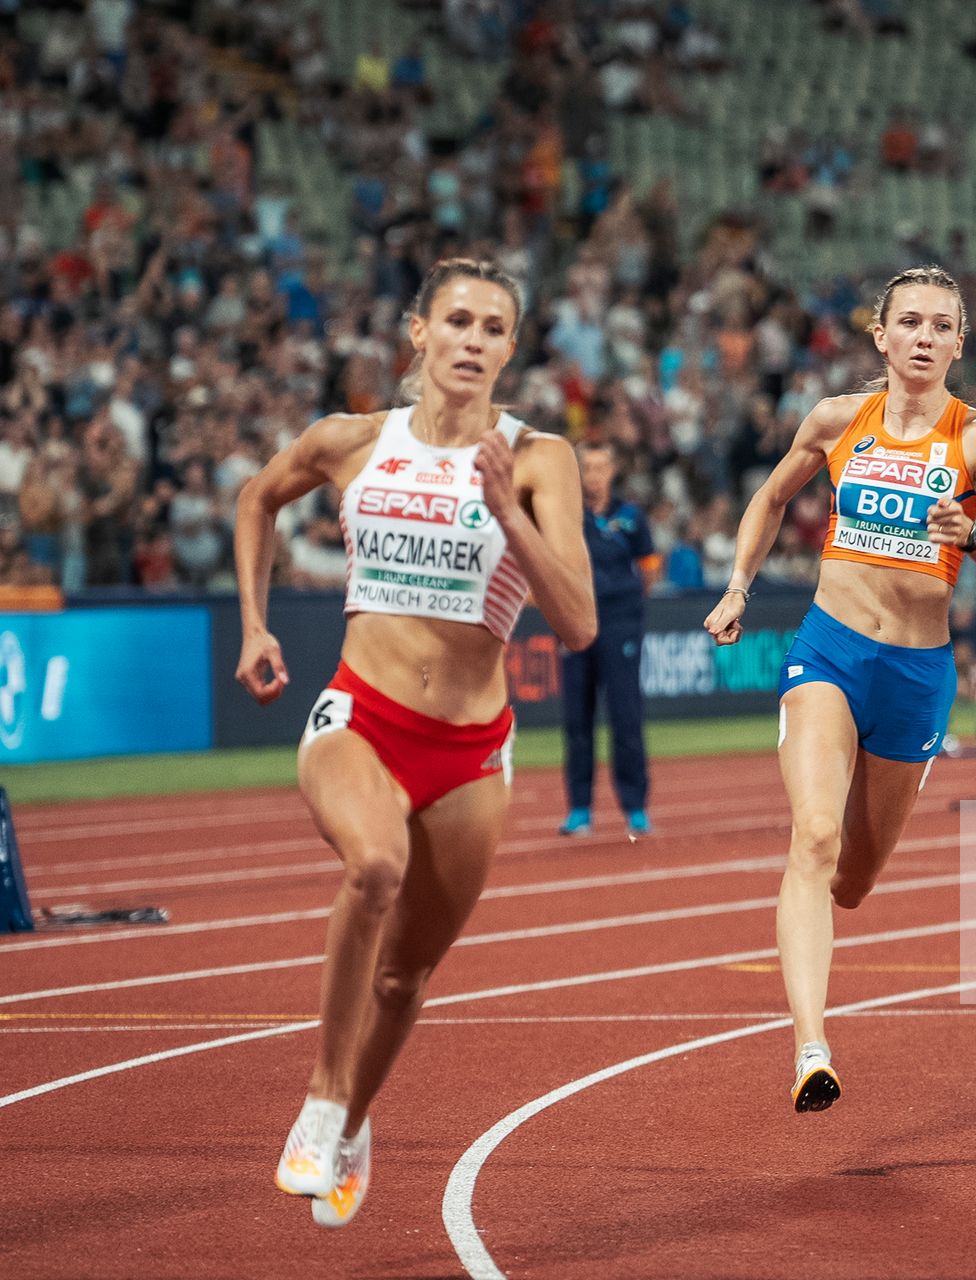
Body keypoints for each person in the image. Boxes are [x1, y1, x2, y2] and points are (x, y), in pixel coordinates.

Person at [232, 259, 595, 1226]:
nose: (474, 340)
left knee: (406, 974)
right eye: (459, 321)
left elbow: (581, 623)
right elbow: (257, 500)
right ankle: (318, 1100)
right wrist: (255, 627)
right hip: (360, 715)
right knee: (375, 867)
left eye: (494, 328)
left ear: (511, 350)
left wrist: (511, 514)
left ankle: (354, 1120)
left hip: (471, 751)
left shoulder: (537, 457)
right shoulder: (351, 442)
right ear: (419, 335)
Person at [703, 265, 976, 1112]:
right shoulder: (834, 421)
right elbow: (770, 496)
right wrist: (740, 585)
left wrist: (973, 537)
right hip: (829, 651)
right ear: (881, 336)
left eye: (942, 326)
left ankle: (819, 996)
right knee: (812, 838)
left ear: (960, 345)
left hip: (918, 675)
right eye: (911, 323)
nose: (925, 338)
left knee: (852, 880)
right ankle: (810, 1047)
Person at [559, 441, 658, 835]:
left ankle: (635, 806)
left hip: (620, 624)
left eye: (601, 467)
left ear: (612, 470)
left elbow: (648, 568)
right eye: (587, 467)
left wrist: (627, 602)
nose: (594, 475)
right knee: (576, 720)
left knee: (626, 717)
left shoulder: (631, 516)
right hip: (575, 624)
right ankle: (579, 808)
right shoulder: (565, 515)